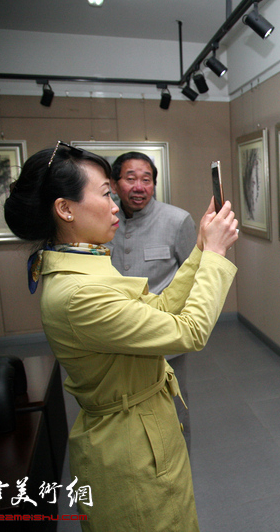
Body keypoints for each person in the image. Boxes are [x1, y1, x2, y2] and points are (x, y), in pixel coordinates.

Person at [4, 141, 238, 531]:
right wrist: (215, 256)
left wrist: (200, 248)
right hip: (129, 449)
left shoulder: (88, 264)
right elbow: (189, 330)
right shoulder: (80, 293)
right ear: (65, 209)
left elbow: (157, 310)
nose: (115, 206)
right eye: (104, 194)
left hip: (145, 424)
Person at [105, 151, 196, 451]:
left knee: (172, 403)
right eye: (130, 179)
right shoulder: (103, 221)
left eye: (146, 180)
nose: (139, 187)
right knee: (122, 408)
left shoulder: (177, 220)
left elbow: (192, 275)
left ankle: (179, 458)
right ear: (115, 184)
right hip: (115, 337)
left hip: (162, 337)